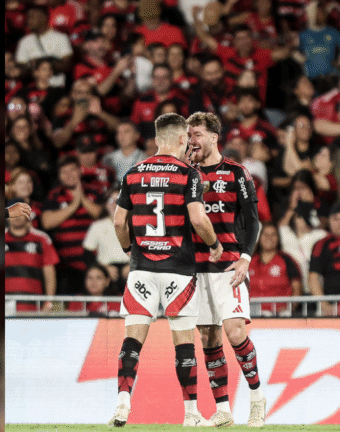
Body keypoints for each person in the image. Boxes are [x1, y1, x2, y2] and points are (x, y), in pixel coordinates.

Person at [108, 113, 223, 428]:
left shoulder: (133, 173)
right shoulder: (188, 173)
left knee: (132, 340)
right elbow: (199, 219)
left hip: (141, 270)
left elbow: (119, 221)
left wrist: (129, 249)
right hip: (178, 271)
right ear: (182, 138)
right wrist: (214, 245)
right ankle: (190, 415)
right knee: (184, 343)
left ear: (157, 139)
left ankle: (121, 404)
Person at [185, 111, 266, 428]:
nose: (192, 141)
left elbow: (253, 219)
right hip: (196, 267)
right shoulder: (186, 175)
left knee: (234, 331)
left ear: (214, 137)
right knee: (208, 337)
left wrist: (246, 257)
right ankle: (223, 410)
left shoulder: (236, 172)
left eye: (197, 135)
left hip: (229, 264)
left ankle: (257, 399)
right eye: (189, 135)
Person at [41, 155, 104, 295]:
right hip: (66, 267)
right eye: (64, 172)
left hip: (94, 264)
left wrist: (82, 198)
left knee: (92, 305)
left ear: (80, 171)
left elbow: (102, 215)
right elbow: (46, 222)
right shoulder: (54, 195)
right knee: (63, 307)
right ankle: (56, 313)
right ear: (59, 175)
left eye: (72, 170)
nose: (68, 175)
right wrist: (74, 205)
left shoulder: (94, 191)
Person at [5, 199, 59, 313]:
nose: (17, 216)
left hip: (33, 308)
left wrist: (49, 303)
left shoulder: (41, 239)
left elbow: (50, 276)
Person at [248, 223, 303, 317]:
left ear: (278, 238)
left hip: (280, 315)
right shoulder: (249, 260)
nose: (269, 237)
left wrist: (290, 309)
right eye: (265, 234)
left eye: (273, 234)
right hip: (251, 315)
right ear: (260, 237)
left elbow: (297, 287)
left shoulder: (287, 259)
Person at [82, 188, 130, 294]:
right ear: (105, 204)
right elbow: (87, 254)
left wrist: (133, 265)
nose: (114, 204)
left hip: (129, 270)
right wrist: (103, 268)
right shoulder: (97, 226)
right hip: (106, 271)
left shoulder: (136, 225)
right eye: (110, 201)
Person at [15, 4, 74, 87]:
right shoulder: (24, 41)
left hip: (56, 87)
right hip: (33, 89)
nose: (28, 21)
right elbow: (20, 66)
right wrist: (30, 65)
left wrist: (43, 64)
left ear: (43, 18)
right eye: (28, 18)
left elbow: (67, 65)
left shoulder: (61, 38)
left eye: (31, 17)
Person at [278, 199, 329, 295]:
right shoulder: (287, 235)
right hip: (294, 290)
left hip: (318, 289)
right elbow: (282, 225)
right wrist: (293, 208)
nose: (304, 221)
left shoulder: (320, 235)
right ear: (295, 218)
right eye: (300, 217)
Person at [103, 121, 147, 186]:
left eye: (126, 132)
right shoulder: (109, 158)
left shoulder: (145, 159)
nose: (122, 136)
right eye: (119, 133)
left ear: (137, 135)